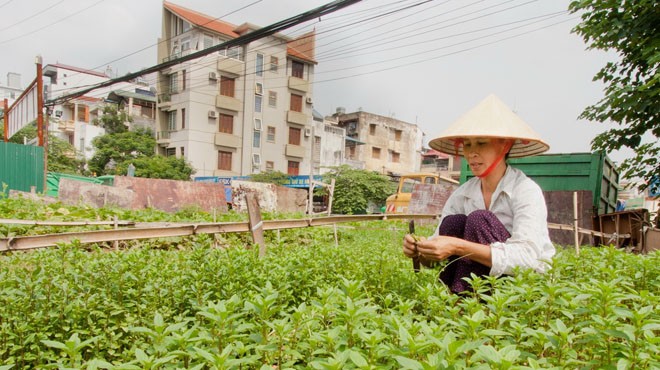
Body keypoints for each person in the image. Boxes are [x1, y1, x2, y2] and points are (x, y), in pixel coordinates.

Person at [403, 94, 556, 294]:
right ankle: (456, 298)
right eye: (467, 144)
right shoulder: (463, 194)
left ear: (504, 145)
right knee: (453, 223)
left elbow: (528, 258)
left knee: (479, 220)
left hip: (523, 287)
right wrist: (421, 251)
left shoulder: (525, 190)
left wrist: (459, 247)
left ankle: (461, 301)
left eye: (481, 143)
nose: (471, 153)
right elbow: (440, 247)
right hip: (477, 282)